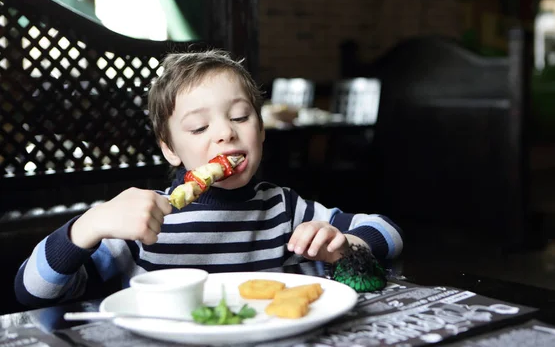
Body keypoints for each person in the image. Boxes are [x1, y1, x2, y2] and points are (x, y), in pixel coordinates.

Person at [14, 50, 403, 307]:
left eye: (239, 117)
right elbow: (30, 291)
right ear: (170, 149)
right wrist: (89, 224)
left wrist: (347, 242)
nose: (225, 133)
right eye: (199, 127)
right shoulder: (144, 220)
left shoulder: (286, 208)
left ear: (261, 130)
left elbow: (389, 232)